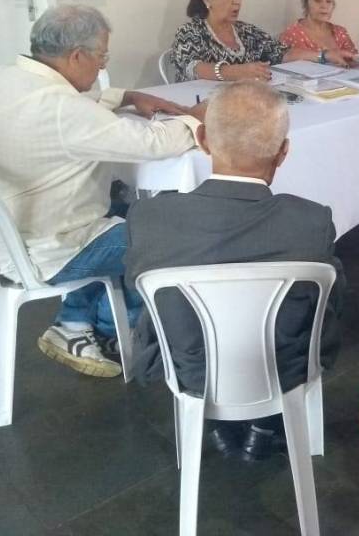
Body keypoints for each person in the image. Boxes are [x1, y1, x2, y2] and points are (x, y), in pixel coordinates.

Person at [0, 5, 204, 377]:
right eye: (101, 58)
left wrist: (127, 96)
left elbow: (69, 109)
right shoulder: (61, 109)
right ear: (77, 55)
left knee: (133, 210)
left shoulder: (6, 78)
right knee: (163, 238)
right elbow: (152, 143)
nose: (100, 67)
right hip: (47, 249)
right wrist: (197, 118)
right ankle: (114, 331)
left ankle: (75, 321)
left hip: (3, 232)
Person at [126, 81, 345, 461]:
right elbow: (329, 304)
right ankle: (266, 424)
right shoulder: (311, 220)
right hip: (282, 371)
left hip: (189, 371)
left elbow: (138, 290)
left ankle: (222, 422)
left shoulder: (150, 218)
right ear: (284, 152)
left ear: (203, 140)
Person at [172, 0, 350, 83]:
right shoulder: (190, 32)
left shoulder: (246, 32)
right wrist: (237, 72)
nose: (237, 1)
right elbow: (193, 68)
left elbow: (282, 52)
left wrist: (323, 56)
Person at [279, 0, 359, 58]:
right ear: (305, 3)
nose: (324, 6)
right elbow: (286, 60)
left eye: (328, 1)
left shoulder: (340, 32)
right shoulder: (293, 34)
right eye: (317, 0)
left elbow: (356, 60)